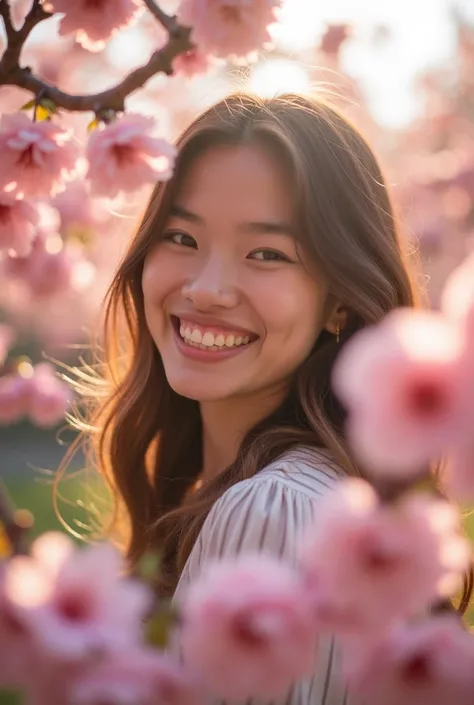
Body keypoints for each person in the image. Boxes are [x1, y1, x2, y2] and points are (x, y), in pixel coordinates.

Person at [60, 92, 468, 704]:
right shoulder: (290, 499)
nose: (206, 289)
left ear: (338, 302)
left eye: (267, 254)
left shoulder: (270, 510)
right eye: (181, 237)